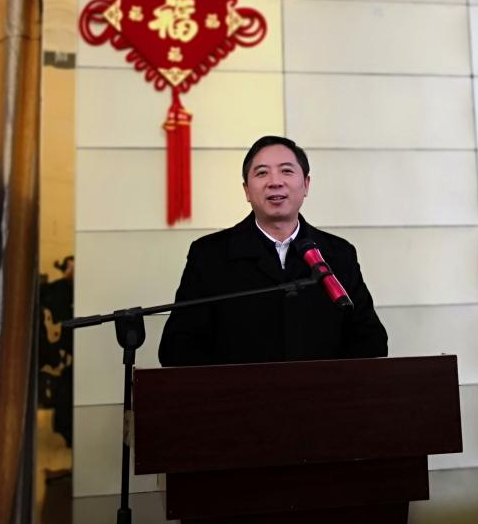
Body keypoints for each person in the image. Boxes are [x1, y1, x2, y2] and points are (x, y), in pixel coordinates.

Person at [158, 135, 388, 366]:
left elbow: (370, 340)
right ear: (247, 191)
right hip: (239, 389)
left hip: (321, 388)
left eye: (286, 171)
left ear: (306, 184)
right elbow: (178, 346)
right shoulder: (210, 255)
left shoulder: (338, 253)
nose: (275, 182)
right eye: (262, 173)